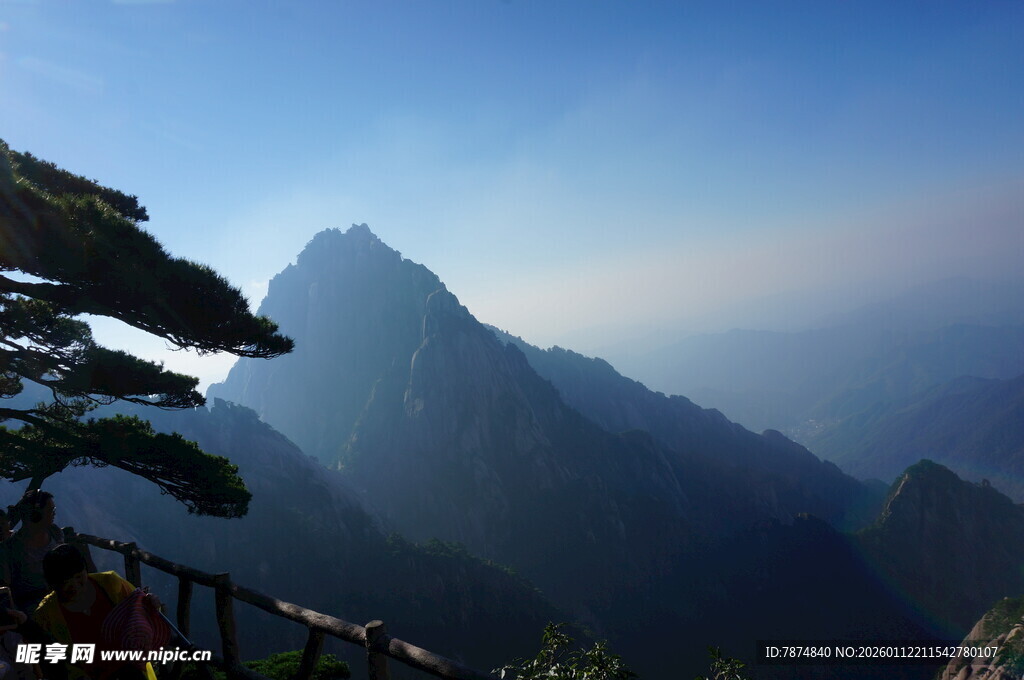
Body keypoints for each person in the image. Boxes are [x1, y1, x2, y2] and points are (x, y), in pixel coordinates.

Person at [34, 546, 161, 680]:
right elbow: (46, 658)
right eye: (65, 582)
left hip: (130, 668)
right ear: (52, 584)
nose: (75, 586)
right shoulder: (46, 616)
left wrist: (151, 603)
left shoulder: (110, 584)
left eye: (78, 577)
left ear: (85, 570)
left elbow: (141, 610)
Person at [1, 491, 63, 612]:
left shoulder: (55, 533)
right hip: (32, 607)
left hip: (61, 596)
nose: (54, 514)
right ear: (36, 514)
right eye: (50, 510)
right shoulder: (9, 549)